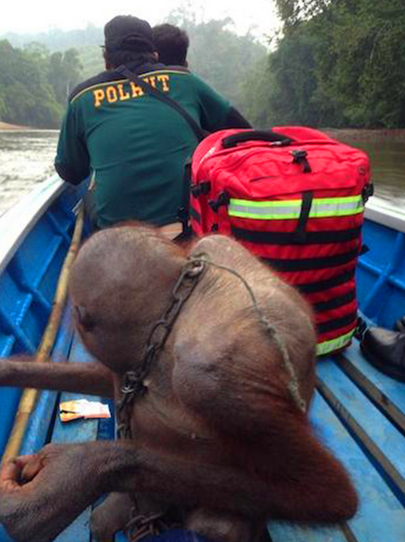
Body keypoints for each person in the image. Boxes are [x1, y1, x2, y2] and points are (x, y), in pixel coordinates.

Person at [54, 15, 251, 230]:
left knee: (89, 195)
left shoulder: (82, 97)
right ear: (154, 55)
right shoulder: (185, 81)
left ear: (106, 57)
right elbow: (243, 132)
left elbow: (69, 172)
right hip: (184, 226)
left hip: (118, 233)